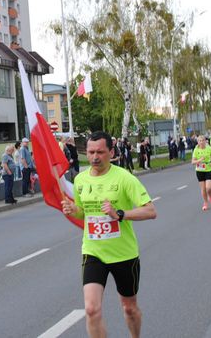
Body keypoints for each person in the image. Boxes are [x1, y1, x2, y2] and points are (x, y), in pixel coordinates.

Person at [61, 131, 157, 338]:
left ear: (111, 152)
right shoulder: (80, 179)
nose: (95, 157)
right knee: (91, 309)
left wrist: (120, 214)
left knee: (129, 308)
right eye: (90, 152)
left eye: (100, 152)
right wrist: (73, 210)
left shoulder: (124, 178)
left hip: (124, 254)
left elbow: (150, 211)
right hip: (93, 251)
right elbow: (82, 212)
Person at [191, 136, 211, 211]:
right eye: (199, 141)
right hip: (199, 170)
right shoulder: (196, 150)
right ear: (198, 142)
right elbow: (193, 162)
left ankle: (210, 197)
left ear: (205, 141)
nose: (201, 142)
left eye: (203, 140)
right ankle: (205, 203)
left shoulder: (209, 148)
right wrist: (199, 160)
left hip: (208, 169)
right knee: (203, 189)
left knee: (208, 188)